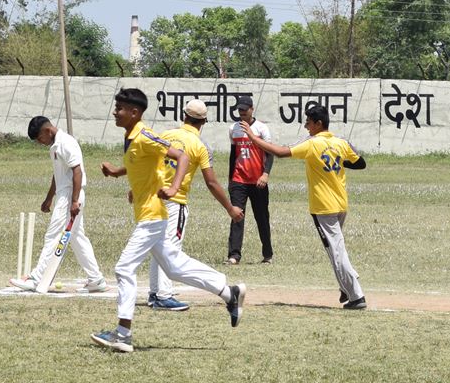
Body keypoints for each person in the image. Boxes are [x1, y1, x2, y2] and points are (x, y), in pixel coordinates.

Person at [91, 88, 244, 353]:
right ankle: (229, 292)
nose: (115, 112)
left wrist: (173, 188)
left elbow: (181, 157)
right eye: (116, 107)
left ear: (135, 112)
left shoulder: (148, 135)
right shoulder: (134, 137)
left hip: (153, 215)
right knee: (173, 266)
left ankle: (123, 334)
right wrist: (117, 173)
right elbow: (144, 163)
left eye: (119, 108)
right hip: (151, 213)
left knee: (124, 269)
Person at [248, 102, 369, 309]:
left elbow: (280, 152)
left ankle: (356, 295)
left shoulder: (313, 143)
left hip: (324, 206)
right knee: (336, 248)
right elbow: (360, 163)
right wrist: (337, 160)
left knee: (336, 252)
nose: (306, 126)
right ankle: (346, 284)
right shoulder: (341, 142)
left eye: (308, 122)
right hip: (340, 204)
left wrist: (253, 139)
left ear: (318, 123)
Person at [144, 100, 244, 311]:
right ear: (204, 121)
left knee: (158, 247)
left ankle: (155, 292)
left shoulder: (166, 135)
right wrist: (230, 208)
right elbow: (211, 182)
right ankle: (163, 295)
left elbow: (150, 162)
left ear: (184, 116)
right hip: (175, 201)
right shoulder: (200, 145)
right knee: (169, 249)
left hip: (154, 198)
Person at [10, 115, 106, 294]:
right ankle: (96, 279)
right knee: (77, 238)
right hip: (65, 193)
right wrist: (49, 198)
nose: (40, 143)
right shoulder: (54, 146)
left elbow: (77, 171)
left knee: (53, 235)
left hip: (71, 194)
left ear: (48, 131)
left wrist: (74, 200)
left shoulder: (65, 143)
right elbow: (58, 175)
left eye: (40, 138)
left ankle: (37, 278)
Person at [225, 94, 275, 266]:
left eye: (245, 110)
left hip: (258, 181)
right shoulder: (233, 128)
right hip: (239, 180)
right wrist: (231, 179)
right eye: (240, 109)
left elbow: (270, 153)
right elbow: (233, 155)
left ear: (252, 109)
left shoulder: (261, 128)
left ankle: (267, 254)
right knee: (237, 217)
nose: (242, 112)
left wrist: (265, 174)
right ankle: (234, 255)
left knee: (262, 217)